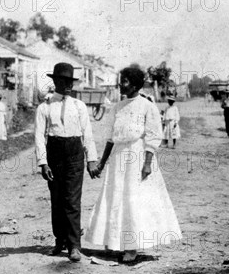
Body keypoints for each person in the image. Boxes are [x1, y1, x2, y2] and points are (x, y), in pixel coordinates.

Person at [85, 64, 182, 263]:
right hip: (118, 158)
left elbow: (153, 136)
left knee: (134, 200)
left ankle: (132, 247)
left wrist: (147, 163)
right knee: (115, 199)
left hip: (137, 156)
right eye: (121, 80)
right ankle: (115, 242)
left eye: (126, 81)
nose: (122, 84)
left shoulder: (147, 105)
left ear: (136, 84)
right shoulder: (117, 107)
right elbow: (111, 139)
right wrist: (102, 164)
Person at [34, 62, 98, 262]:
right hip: (54, 152)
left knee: (72, 200)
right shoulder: (44, 107)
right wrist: (43, 163)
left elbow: (87, 134)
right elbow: (38, 136)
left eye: (70, 81)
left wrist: (92, 160)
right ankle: (59, 240)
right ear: (55, 81)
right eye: (63, 81)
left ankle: (74, 246)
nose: (68, 85)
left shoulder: (79, 106)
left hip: (74, 153)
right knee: (57, 199)